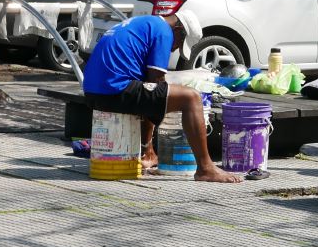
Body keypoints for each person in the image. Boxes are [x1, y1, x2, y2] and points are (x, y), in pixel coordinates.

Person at [81, 11, 240, 183]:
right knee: (191, 98)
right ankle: (205, 168)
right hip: (114, 90)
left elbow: (151, 91)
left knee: (154, 93)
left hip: (92, 92)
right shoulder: (163, 31)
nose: (174, 49)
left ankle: (147, 152)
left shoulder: (144, 23)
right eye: (179, 44)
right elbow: (157, 82)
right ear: (178, 29)